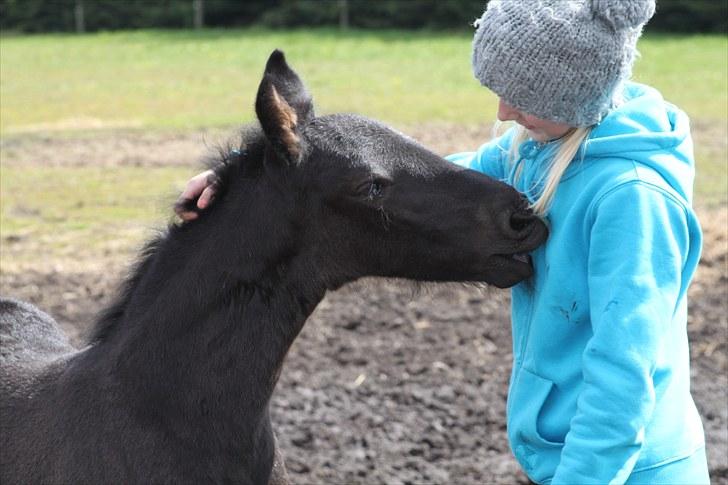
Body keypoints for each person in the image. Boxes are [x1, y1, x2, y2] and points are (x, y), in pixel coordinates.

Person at [176, 0, 710, 482]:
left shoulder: (633, 200)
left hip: (629, 466)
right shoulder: (540, 146)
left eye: (519, 97)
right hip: (571, 454)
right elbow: (434, 193)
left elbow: (624, 372)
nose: (503, 112)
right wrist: (248, 182)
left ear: (569, 93)